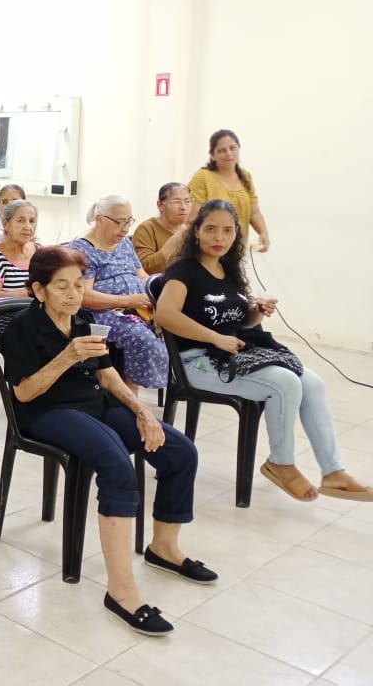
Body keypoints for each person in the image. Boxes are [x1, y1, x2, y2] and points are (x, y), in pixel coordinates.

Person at [2, 246, 215, 636]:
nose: (74, 294)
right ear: (40, 290)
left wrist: (141, 410)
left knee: (180, 451)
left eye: (78, 285)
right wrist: (67, 357)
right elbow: (25, 393)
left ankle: (164, 548)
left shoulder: (83, 319)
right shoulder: (22, 328)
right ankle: (121, 591)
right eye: (62, 286)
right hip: (47, 412)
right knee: (117, 465)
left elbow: (106, 374)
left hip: (93, 403)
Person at [154, 200, 371, 503]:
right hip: (196, 363)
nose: (219, 237)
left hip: (231, 355)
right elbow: (165, 315)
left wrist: (257, 310)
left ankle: (333, 471)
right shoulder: (183, 270)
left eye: (227, 230)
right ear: (197, 232)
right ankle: (280, 463)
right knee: (285, 383)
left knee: (313, 383)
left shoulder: (229, 270)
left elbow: (239, 321)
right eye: (211, 229)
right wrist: (215, 338)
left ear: (236, 234)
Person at [66, 195, 168, 394]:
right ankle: (127, 396)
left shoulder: (124, 243)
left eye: (129, 221)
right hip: (100, 314)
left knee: (172, 325)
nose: (125, 229)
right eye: (120, 222)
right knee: (140, 337)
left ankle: (172, 385)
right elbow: (84, 296)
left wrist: (160, 293)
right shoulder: (81, 248)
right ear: (100, 219)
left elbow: (141, 275)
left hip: (136, 308)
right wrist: (129, 300)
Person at [188, 129, 270, 252]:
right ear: (212, 155)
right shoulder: (203, 177)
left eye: (233, 148)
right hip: (209, 251)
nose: (229, 153)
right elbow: (191, 219)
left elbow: (254, 212)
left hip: (236, 251)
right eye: (222, 150)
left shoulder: (245, 176)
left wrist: (263, 232)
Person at [0, 199, 38, 304]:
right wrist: (29, 292)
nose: (28, 227)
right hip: (10, 313)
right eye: (20, 221)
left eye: (32, 221)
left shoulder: (38, 251)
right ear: (5, 224)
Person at [132, 183, 192, 275]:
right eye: (177, 202)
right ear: (160, 205)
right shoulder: (146, 229)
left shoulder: (192, 230)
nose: (183, 207)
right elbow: (143, 269)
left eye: (187, 201)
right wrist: (174, 242)